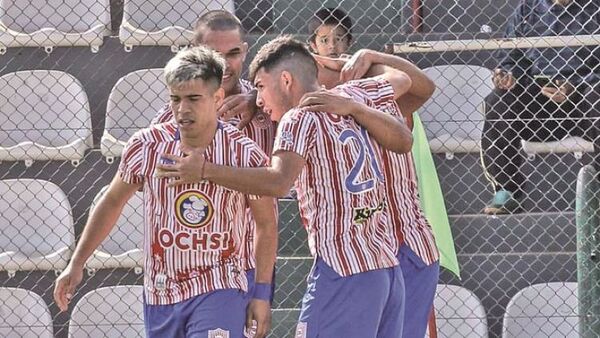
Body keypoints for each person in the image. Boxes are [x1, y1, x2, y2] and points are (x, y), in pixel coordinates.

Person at [157, 36, 414, 337]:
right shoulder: (349, 98)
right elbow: (404, 138)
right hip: (386, 270)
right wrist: (356, 108)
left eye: (261, 88)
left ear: (287, 80)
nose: (259, 99)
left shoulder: (298, 118)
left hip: (343, 268)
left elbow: (278, 182)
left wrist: (204, 170)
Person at [54, 46, 277, 338]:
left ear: (217, 97)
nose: (183, 109)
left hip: (221, 285)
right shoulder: (147, 146)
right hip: (162, 291)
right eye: (176, 99)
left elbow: (266, 224)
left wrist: (260, 292)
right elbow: (111, 202)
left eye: (194, 99)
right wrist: (77, 263)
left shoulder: (242, 152)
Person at [307, 50, 441, 338]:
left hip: (405, 246)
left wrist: (370, 58)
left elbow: (423, 86)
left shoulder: (378, 93)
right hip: (360, 258)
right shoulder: (308, 113)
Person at [151, 10, 278, 304]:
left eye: (233, 53)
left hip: (251, 260)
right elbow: (154, 178)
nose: (223, 64)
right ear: (194, 53)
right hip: (190, 262)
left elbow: (308, 85)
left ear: (245, 52)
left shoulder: (268, 109)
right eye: (212, 53)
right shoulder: (169, 119)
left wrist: (255, 99)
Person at [481, 0, 600, 214]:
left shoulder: (594, 7)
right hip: (540, 99)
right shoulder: (528, 8)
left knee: (598, 95)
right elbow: (510, 55)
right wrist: (508, 74)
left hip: (584, 97)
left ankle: (597, 189)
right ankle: (507, 189)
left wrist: (576, 85)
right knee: (498, 100)